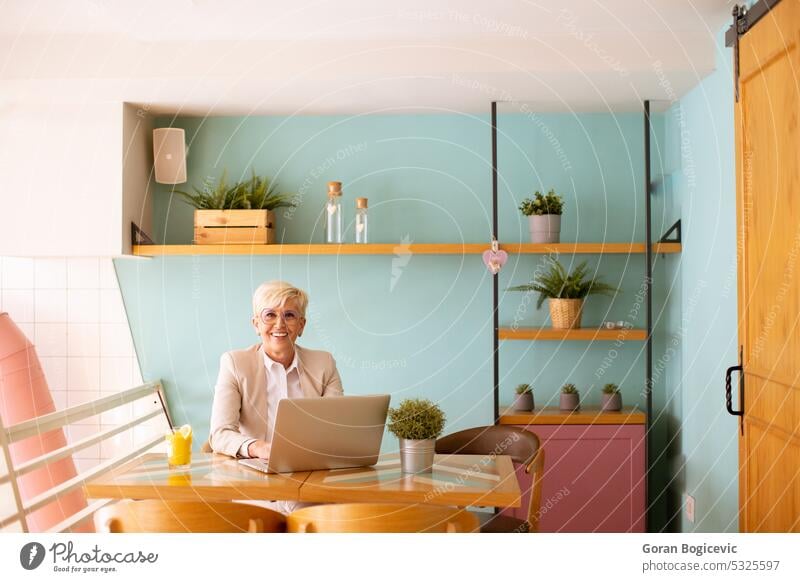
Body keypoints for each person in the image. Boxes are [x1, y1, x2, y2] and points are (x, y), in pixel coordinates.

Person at [209, 280, 344, 461]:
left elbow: (335, 428)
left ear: (301, 325)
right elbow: (220, 434)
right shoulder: (234, 363)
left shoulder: (324, 364)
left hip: (310, 468)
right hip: (254, 471)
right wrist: (258, 448)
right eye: (270, 315)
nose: (279, 324)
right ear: (256, 324)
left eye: (289, 315)